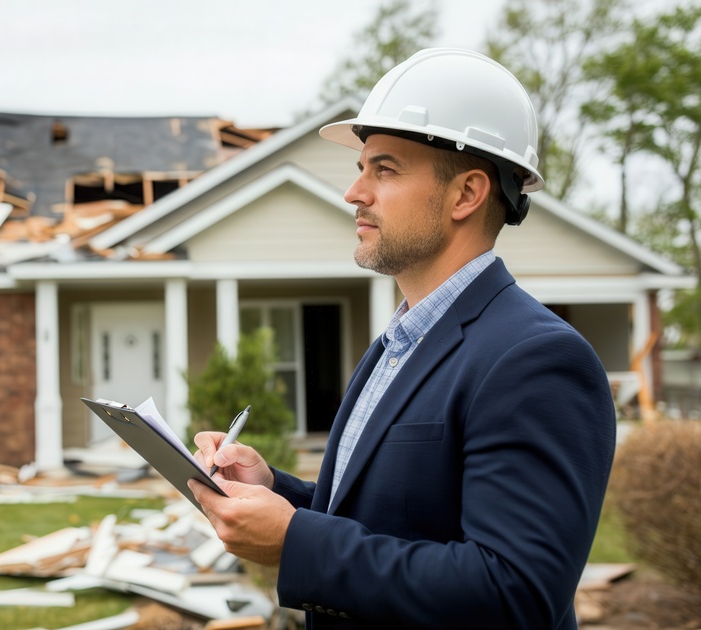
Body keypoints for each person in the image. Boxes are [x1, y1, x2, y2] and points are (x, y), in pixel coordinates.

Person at [189, 48, 617, 629]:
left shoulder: (536, 359)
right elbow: (392, 517)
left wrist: (296, 544)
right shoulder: (402, 341)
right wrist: (276, 492)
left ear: (466, 194)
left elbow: (515, 591)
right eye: (361, 168)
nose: (354, 192)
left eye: (384, 170)